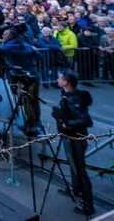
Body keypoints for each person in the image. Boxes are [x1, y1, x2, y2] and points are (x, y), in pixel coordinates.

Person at [52, 70, 94, 215]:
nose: (57, 80)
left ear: (66, 82)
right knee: (74, 167)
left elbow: (86, 120)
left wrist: (65, 122)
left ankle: (87, 205)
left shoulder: (73, 98)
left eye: (59, 78)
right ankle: (75, 191)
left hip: (75, 139)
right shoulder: (66, 95)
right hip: (70, 137)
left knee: (80, 171)